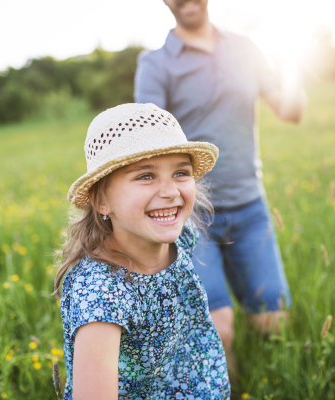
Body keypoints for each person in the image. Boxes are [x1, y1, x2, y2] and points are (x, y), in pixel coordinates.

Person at [134, 0, 306, 374]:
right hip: (190, 218)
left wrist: (293, 60)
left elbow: (290, 111)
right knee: (218, 330)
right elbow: (147, 140)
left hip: (250, 209)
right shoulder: (157, 62)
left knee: (273, 324)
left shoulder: (245, 48)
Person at [55, 103, 230, 399]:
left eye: (181, 173)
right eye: (146, 176)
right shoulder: (102, 292)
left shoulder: (179, 238)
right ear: (101, 201)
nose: (170, 191)